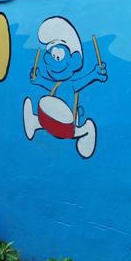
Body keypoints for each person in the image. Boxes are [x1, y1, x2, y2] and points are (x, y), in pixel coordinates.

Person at [23, 16, 107, 158]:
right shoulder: (57, 84)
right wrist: (38, 80)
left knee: (69, 128)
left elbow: (84, 81)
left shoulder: (71, 84)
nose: (52, 61)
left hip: (67, 125)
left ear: (73, 60)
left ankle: (86, 131)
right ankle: (34, 121)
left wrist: (95, 74)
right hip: (50, 120)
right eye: (51, 55)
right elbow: (46, 84)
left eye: (58, 56)